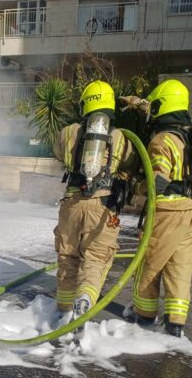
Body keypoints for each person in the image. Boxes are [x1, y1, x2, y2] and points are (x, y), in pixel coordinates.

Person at [53, 80, 138, 340]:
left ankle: (64, 310)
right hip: (103, 206)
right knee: (96, 258)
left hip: (71, 203)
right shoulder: (121, 137)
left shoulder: (68, 132)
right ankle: (85, 301)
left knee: (68, 256)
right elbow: (133, 164)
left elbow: (58, 154)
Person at [124, 79, 192, 338]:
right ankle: (175, 323)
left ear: (163, 105)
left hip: (168, 212)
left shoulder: (162, 140)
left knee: (150, 264)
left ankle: (144, 315)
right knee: (180, 267)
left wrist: (135, 186)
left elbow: (157, 181)